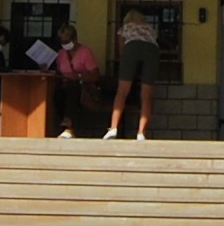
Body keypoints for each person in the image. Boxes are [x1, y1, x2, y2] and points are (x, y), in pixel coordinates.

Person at [109, 7, 159, 139]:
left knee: (122, 91)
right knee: (146, 95)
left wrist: (126, 68)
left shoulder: (125, 28)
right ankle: (141, 133)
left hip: (132, 48)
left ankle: (113, 128)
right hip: (152, 51)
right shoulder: (150, 28)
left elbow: (122, 51)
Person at [53, 25, 102, 135]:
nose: (65, 44)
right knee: (57, 94)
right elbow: (58, 72)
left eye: (67, 41)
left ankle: (67, 124)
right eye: (62, 42)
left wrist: (78, 76)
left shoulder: (85, 52)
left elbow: (95, 76)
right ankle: (65, 125)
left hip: (82, 87)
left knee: (72, 91)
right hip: (64, 86)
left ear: (74, 38)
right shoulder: (61, 54)